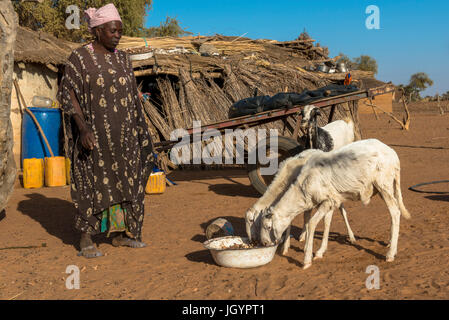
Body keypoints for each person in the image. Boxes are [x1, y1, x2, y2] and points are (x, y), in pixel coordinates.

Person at [57, 3, 154, 258]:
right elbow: (68, 93)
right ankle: (86, 237)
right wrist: (83, 128)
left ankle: (121, 234)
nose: (117, 35)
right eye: (113, 30)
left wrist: (139, 131)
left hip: (124, 136)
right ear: (98, 30)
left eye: (120, 31)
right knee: (91, 182)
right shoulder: (79, 58)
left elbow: (132, 97)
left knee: (125, 180)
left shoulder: (123, 58)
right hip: (95, 136)